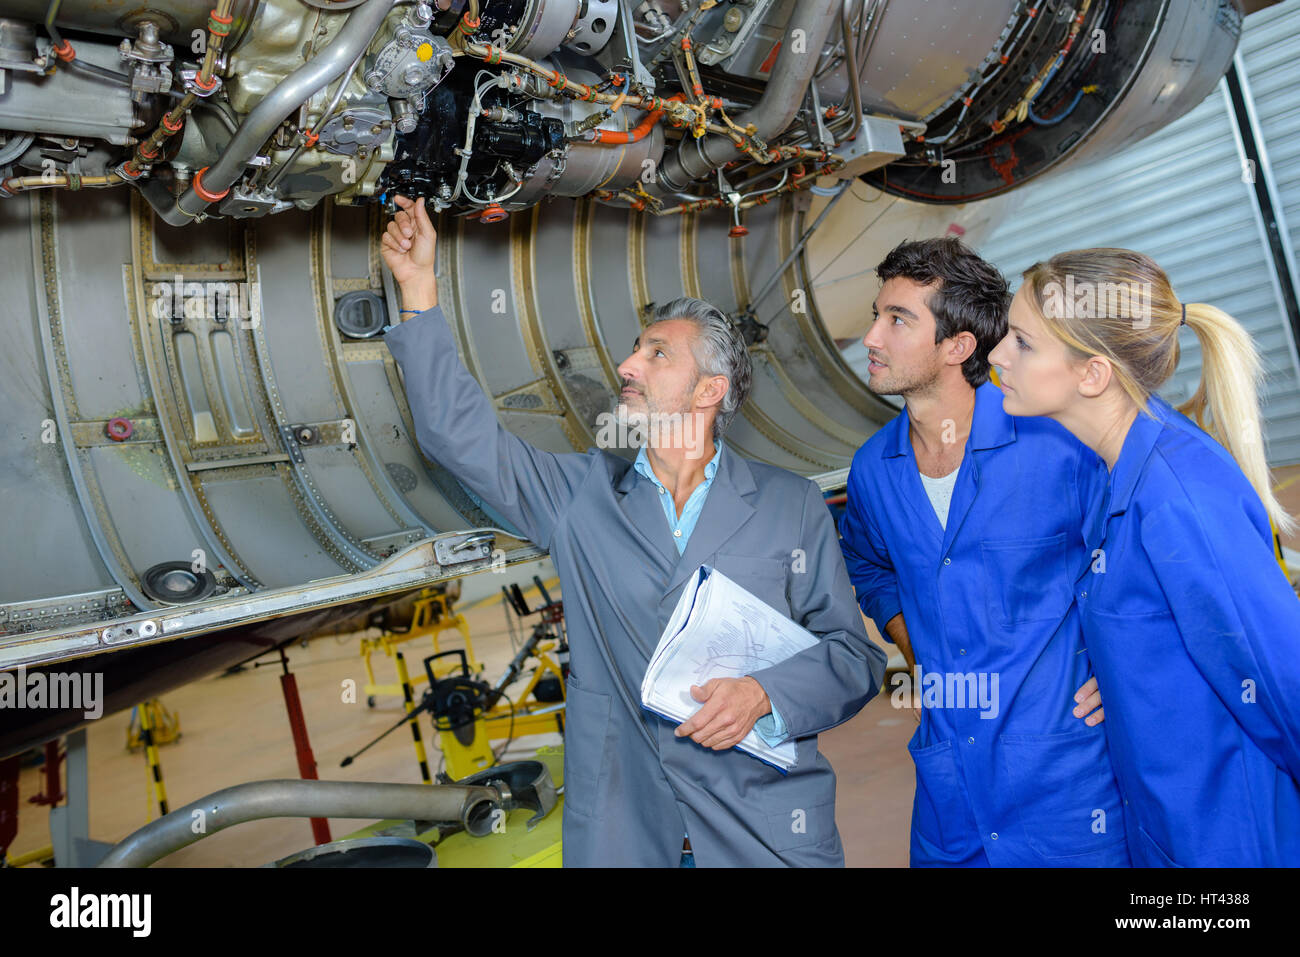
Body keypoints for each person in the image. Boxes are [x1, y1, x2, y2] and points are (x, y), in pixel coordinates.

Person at [380, 194, 886, 866]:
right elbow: (455, 435)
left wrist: (766, 692)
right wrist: (418, 288)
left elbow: (854, 656)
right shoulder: (578, 497)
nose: (626, 366)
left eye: (655, 355)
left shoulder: (788, 505)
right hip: (625, 830)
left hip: (761, 829)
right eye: (634, 350)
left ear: (708, 391)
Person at [987, 246, 1300, 867]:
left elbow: (1279, 680)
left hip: (1228, 839)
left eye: (1022, 342)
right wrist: (1134, 666)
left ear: (1092, 375)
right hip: (1170, 825)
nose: (996, 355)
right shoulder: (1118, 473)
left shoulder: (1176, 496)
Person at [839, 237, 1129, 867]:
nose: (871, 338)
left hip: (1067, 778)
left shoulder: (1055, 438)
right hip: (952, 790)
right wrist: (908, 638)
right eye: (876, 315)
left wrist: (1126, 662)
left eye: (898, 320)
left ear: (958, 347)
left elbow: (1132, 552)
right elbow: (868, 563)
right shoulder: (873, 469)